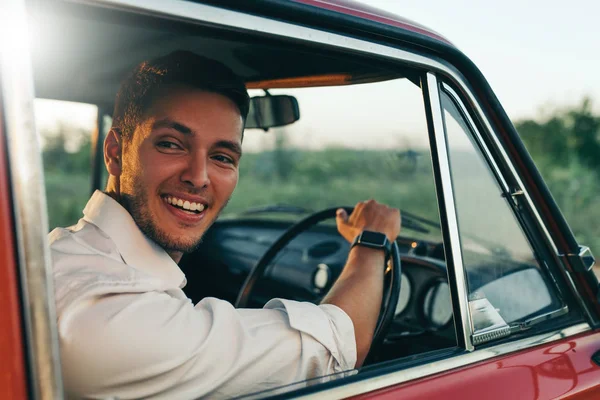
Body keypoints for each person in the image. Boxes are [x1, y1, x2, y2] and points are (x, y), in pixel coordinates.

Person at [49, 50, 401, 399]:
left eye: (221, 157)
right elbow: (339, 345)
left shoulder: (61, 251)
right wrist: (372, 240)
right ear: (115, 152)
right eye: (171, 144)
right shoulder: (115, 321)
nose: (198, 177)